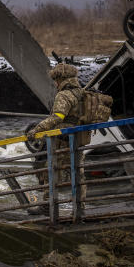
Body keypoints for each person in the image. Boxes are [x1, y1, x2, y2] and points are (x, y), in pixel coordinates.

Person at [24, 63, 89, 213]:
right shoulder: (82, 92)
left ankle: (48, 206)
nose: (55, 83)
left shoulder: (64, 95)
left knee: (50, 171)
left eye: (55, 80)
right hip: (79, 138)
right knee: (78, 173)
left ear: (60, 79)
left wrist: (37, 129)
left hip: (63, 141)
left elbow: (58, 117)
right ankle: (80, 207)